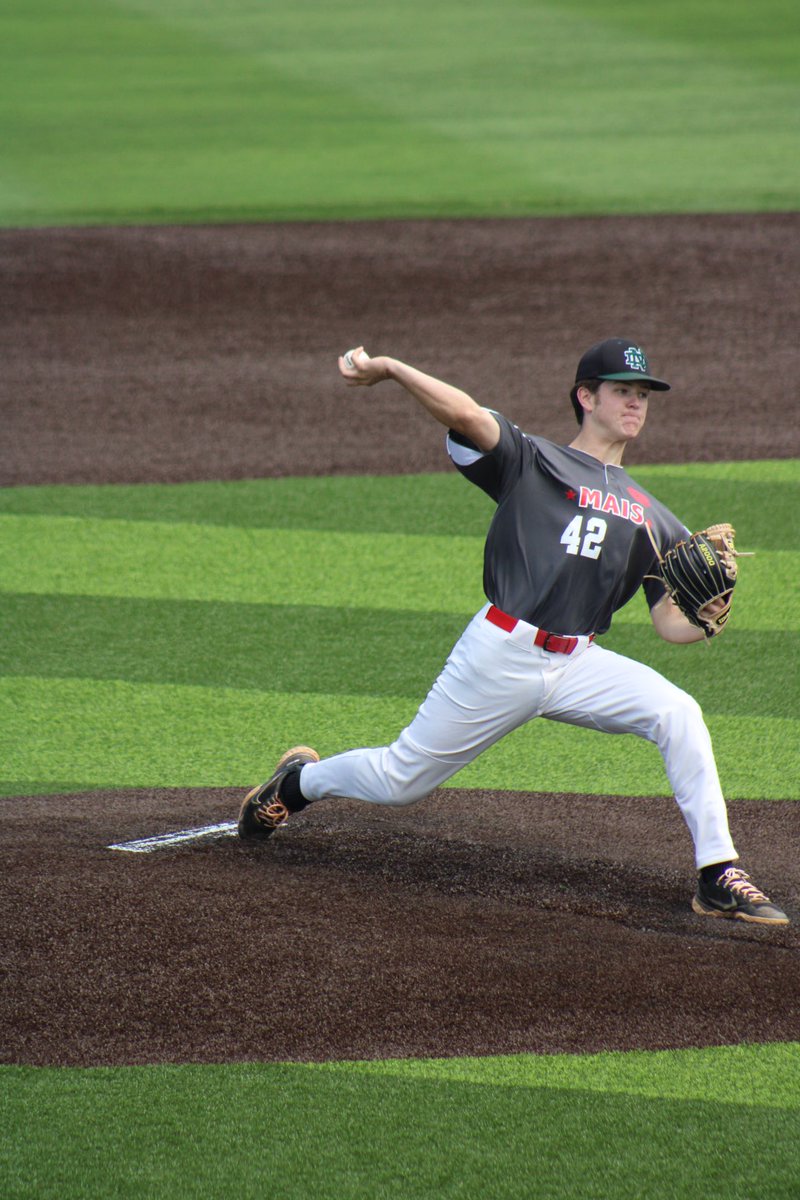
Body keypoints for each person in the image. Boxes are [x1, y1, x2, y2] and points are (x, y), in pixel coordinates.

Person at [238, 337, 788, 926]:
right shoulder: (531, 460)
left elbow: (668, 625)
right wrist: (392, 369)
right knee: (400, 782)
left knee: (678, 713)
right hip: (501, 653)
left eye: (643, 394)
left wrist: (709, 617)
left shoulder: (655, 518)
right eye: (622, 391)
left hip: (579, 664)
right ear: (586, 397)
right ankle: (296, 785)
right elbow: (466, 414)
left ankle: (717, 874)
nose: (636, 403)